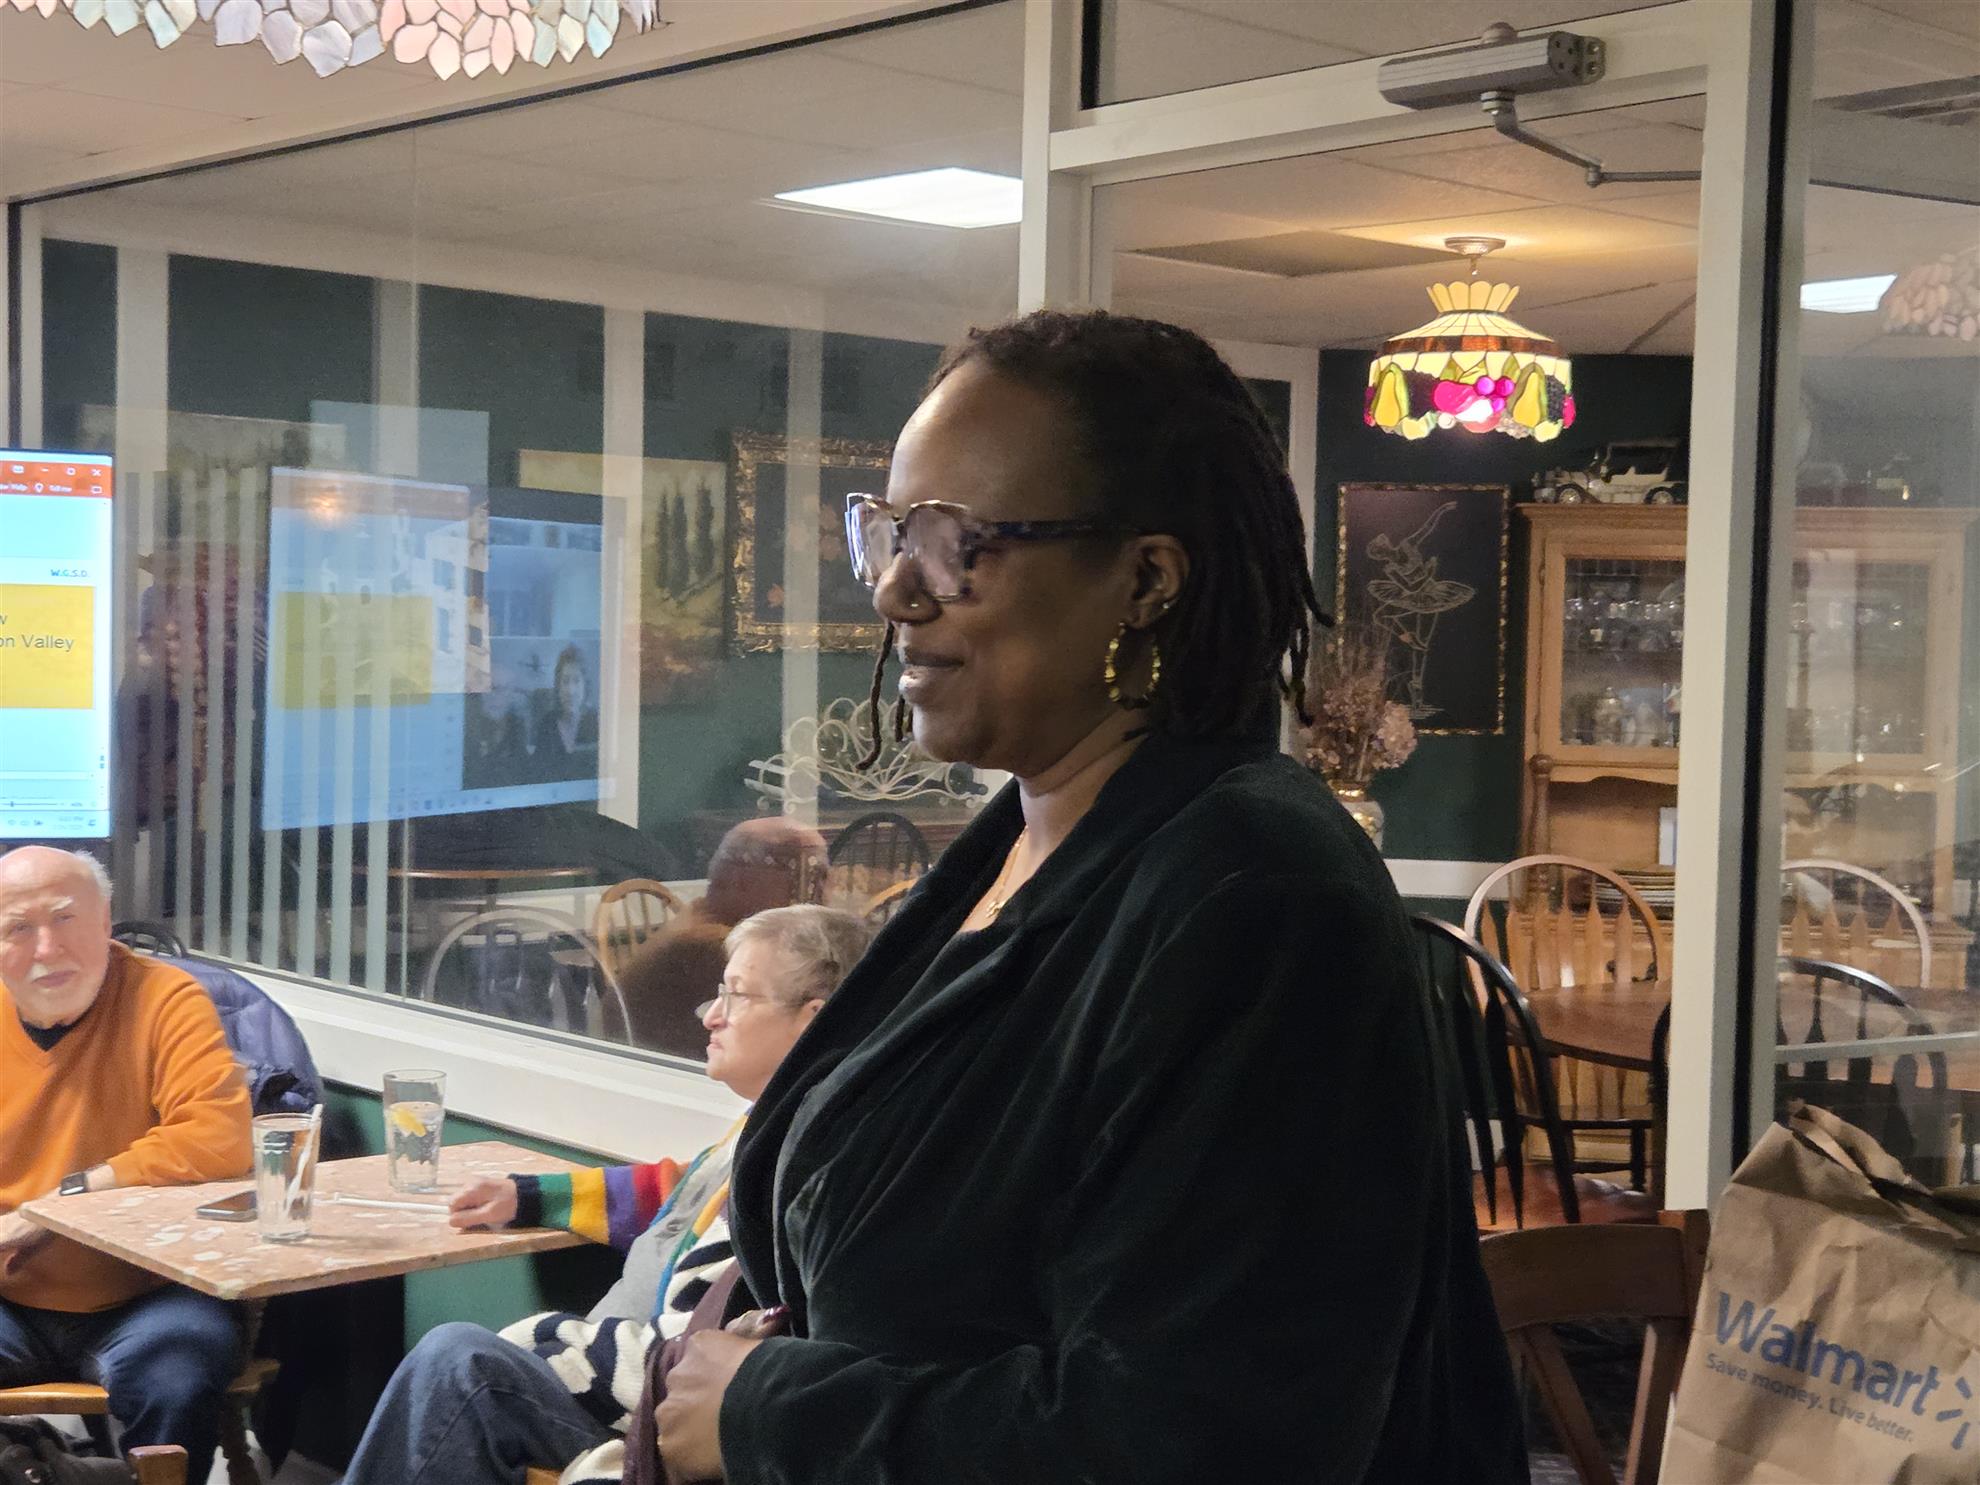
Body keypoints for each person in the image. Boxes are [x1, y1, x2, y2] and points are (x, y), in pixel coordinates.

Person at [652, 310, 1530, 1483]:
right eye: (889, 534)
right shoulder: (1024, 842)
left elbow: (1203, 1442)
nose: (897, 592)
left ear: (1145, 580)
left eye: (955, 542)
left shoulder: (1258, 901)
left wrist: (774, 1413)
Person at [339, 904, 873, 1485]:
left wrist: (548, 1340)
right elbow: (682, 1193)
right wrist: (531, 1197)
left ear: (812, 1019)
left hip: (640, 1416)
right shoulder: (761, 1127)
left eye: (737, 995)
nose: (711, 1015)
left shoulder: (800, 1167)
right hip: (611, 1381)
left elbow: (693, 1357)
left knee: (461, 1363)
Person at [0, 846, 253, 1483]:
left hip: (150, 1293)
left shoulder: (165, 998)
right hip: (9, 1296)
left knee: (177, 1377)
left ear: (106, 920)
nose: (47, 948)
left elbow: (218, 1137)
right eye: (17, 928)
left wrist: (60, 1207)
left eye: (65, 918)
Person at [616, 818, 827, 1056]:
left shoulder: (704, 919)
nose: (816, 892)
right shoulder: (714, 947)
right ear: (738, 881)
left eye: (817, 878)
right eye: (804, 878)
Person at [533, 646, 600, 784]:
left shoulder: (597, 724)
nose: (570, 691)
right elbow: (537, 775)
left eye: (576, 681)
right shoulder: (547, 724)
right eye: (565, 681)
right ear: (558, 687)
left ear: (585, 686)